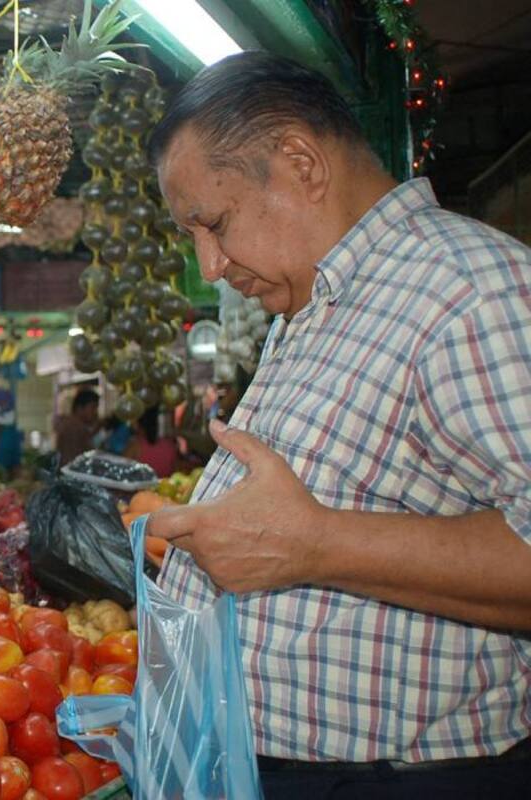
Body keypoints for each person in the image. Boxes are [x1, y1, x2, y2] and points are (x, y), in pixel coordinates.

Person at [144, 50, 531, 793]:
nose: (210, 265)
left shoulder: (469, 292)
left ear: (301, 164)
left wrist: (316, 544)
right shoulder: (319, 302)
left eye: (214, 224)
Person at [125, 407, 177, 479]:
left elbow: (123, 471)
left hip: (142, 486)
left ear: (138, 423)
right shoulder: (170, 445)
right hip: (164, 485)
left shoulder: (134, 446)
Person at [54, 388, 100, 465]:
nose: (95, 412)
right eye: (93, 408)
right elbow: (70, 460)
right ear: (80, 408)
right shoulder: (74, 428)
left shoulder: (72, 425)